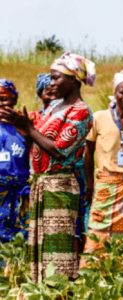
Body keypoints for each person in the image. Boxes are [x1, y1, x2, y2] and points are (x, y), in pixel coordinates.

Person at [0, 51, 95, 282]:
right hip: (42, 184)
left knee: (57, 249)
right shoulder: (55, 108)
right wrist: (20, 125)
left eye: (56, 78)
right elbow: (37, 141)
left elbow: (59, 150)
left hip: (60, 185)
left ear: (73, 79)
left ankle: (60, 293)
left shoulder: (80, 111)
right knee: (41, 248)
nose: (51, 83)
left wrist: (28, 128)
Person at [83, 71, 123, 257]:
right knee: (98, 232)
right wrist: (89, 183)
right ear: (115, 93)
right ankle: (93, 272)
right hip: (105, 183)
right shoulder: (99, 118)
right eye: (122, 92)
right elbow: (88, 151)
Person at [0, 79, 30, 244]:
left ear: (14, 100)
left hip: (18, 193)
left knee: (18, 239)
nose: (1, 103)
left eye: (4, 99)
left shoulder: (24, 127)